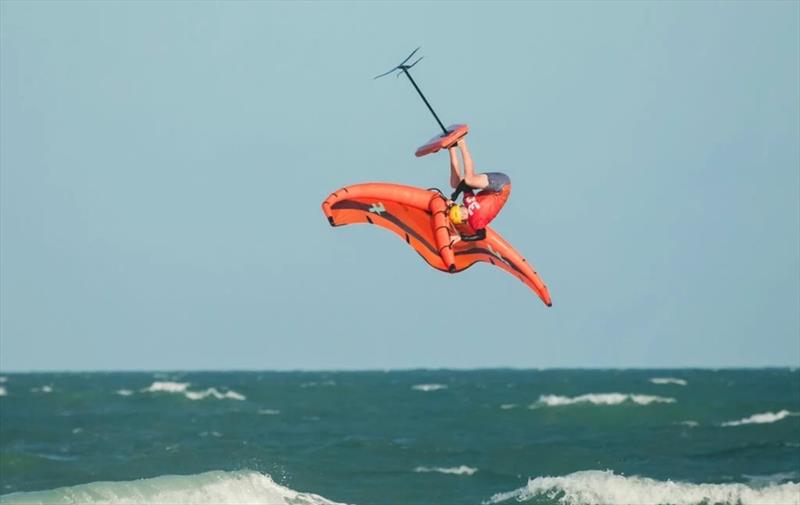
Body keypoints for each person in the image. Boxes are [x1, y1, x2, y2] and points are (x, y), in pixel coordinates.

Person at [446, 137, 511, 243]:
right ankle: (457, 145)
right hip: (502, 187)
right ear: (463, 220)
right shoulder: (475, 222)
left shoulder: (467, 200)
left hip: (492, 184)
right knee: (469, 180)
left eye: (460, 210)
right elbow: (481, 235)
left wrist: (453, 197)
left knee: (456, 184)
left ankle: (453, 147)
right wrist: (463, 238)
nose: (462, 212)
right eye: (461, 215)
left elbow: (463, 184)